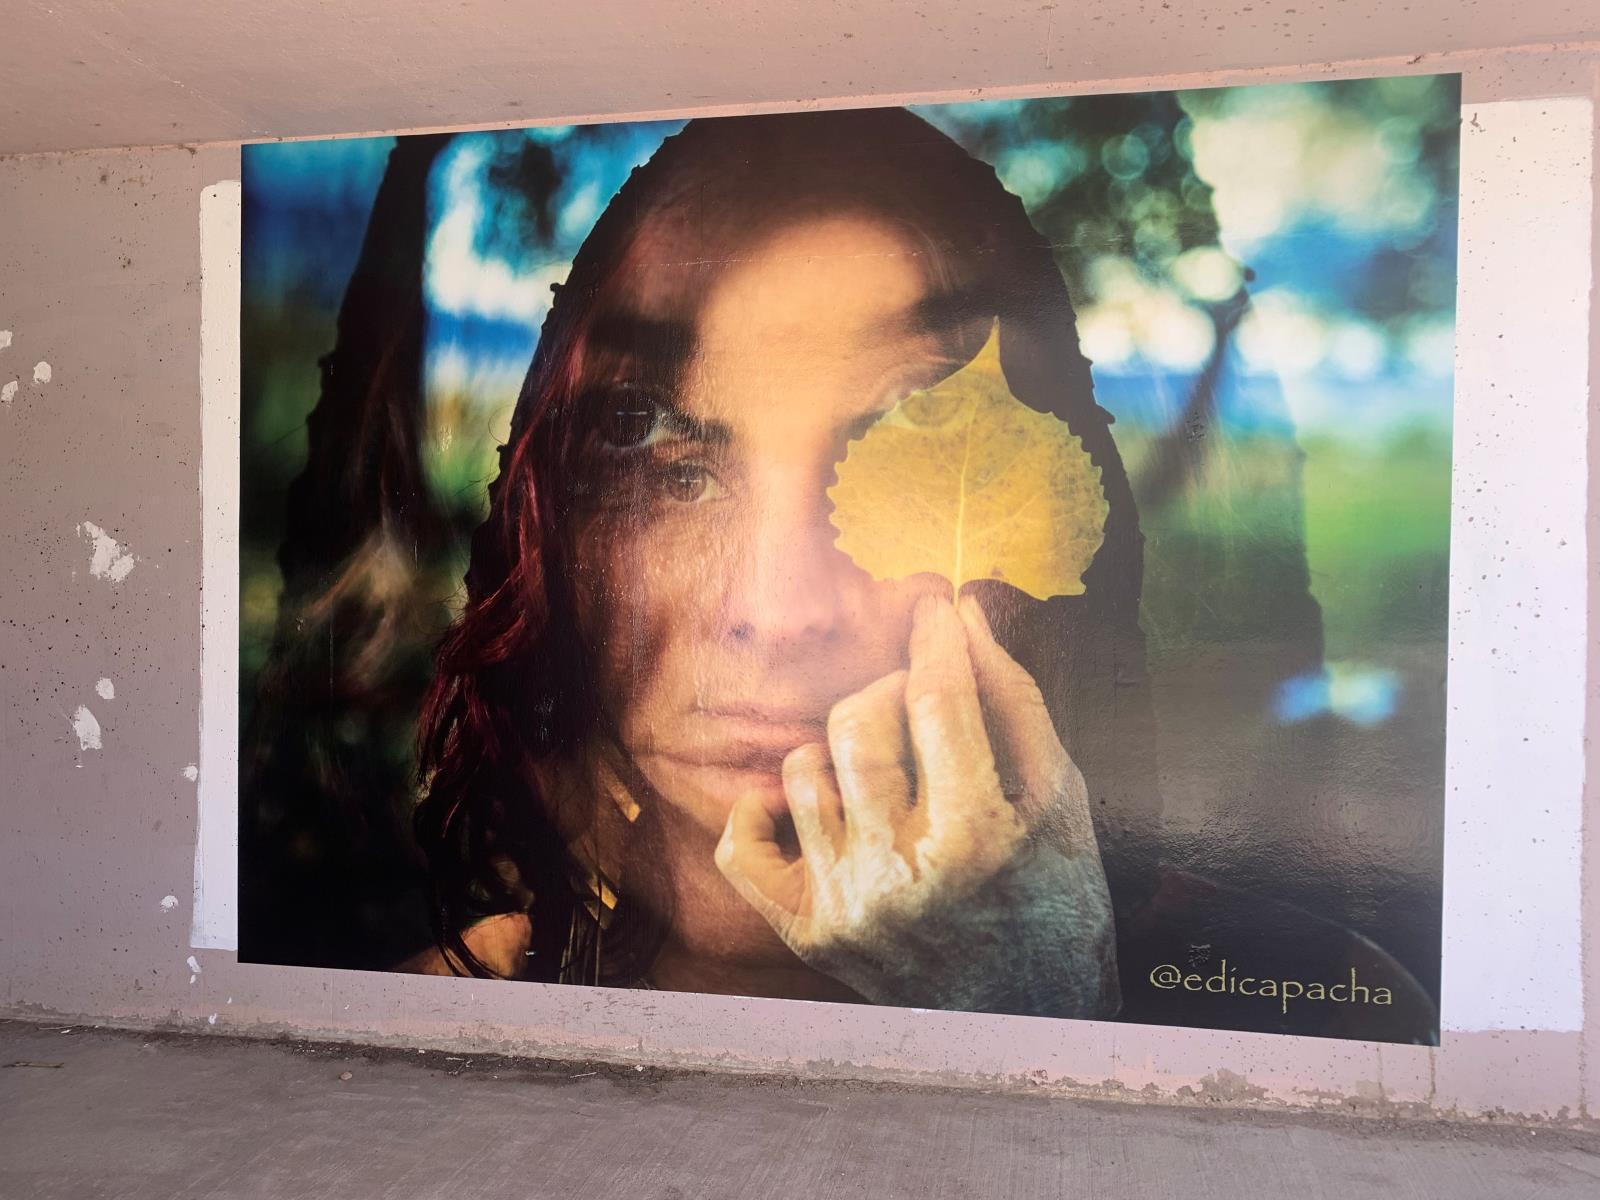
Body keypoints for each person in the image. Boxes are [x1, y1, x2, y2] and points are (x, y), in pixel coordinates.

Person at [403, 108, 1437, 1041]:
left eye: (915, 445)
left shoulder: (1314, 1002)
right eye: (658, 453)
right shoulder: (435, 1023)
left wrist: (1043, 1007)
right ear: (552, 527)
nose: (779, 609)